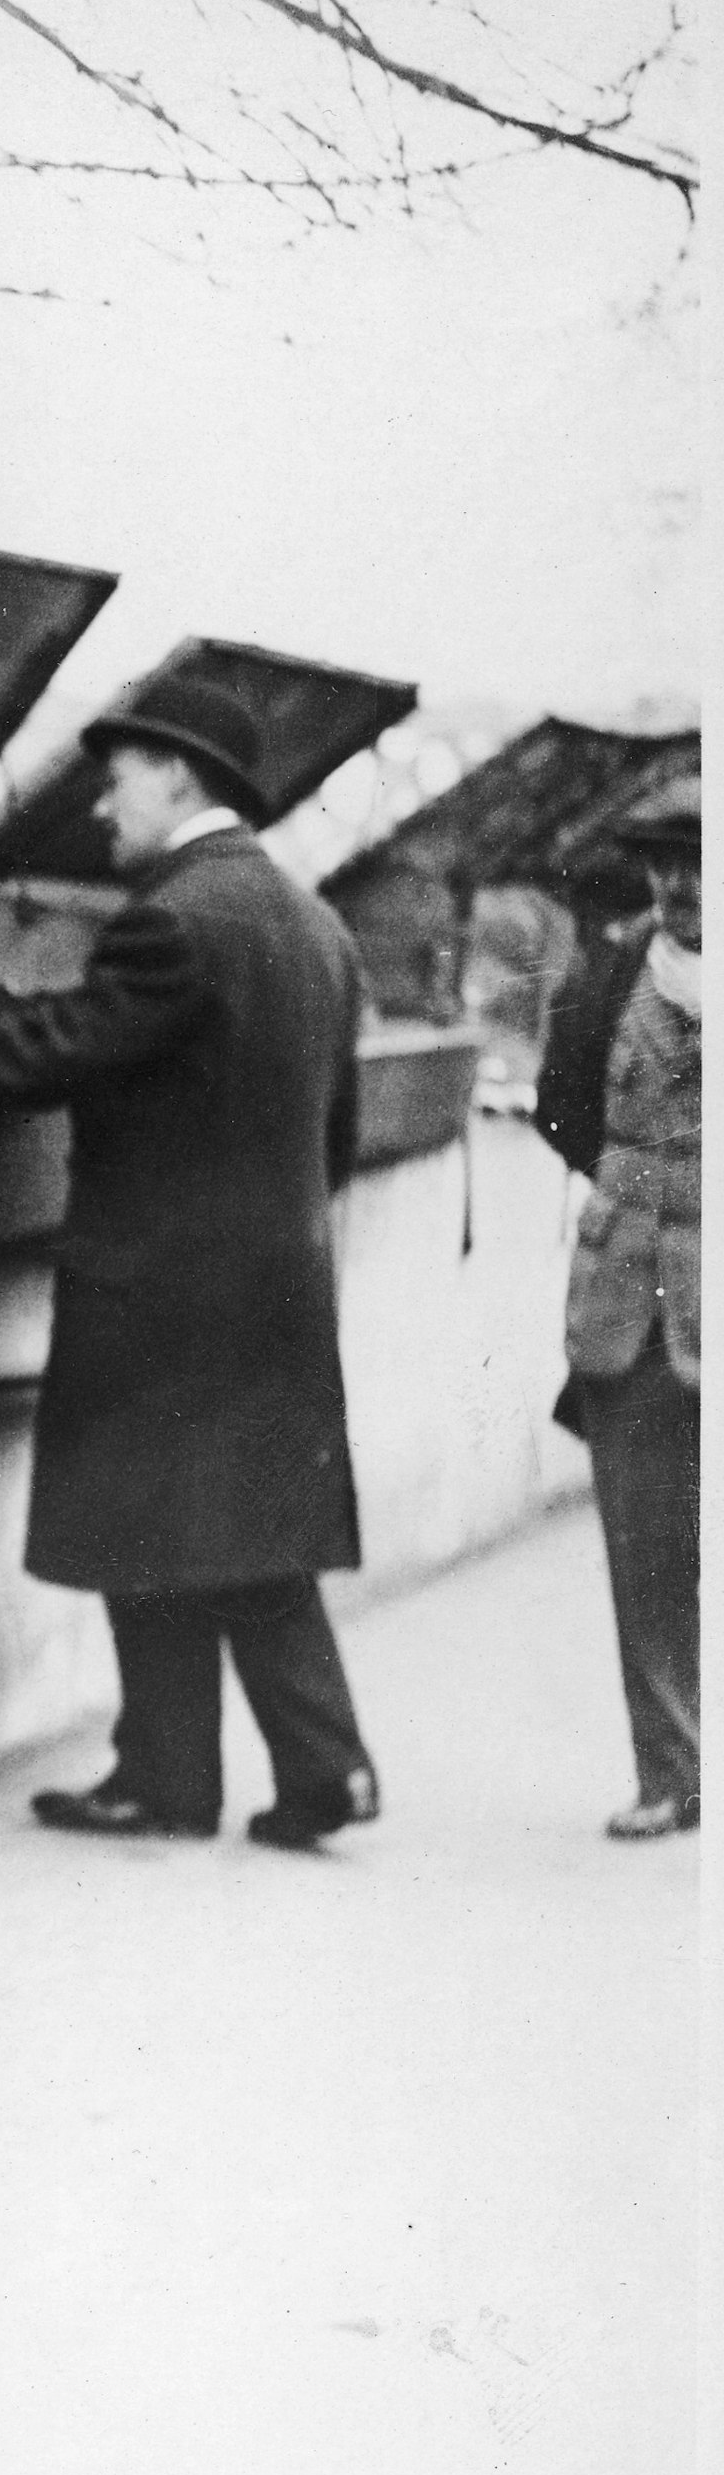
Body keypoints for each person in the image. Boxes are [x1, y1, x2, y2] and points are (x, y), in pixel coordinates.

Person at [0, 682, 379, 1850]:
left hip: (163, 1287)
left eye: (116, 779)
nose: (103, 807)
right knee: (254, 1535)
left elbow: (56, 1045)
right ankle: (327, 1767)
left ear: (178, 775)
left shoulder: (174, 919)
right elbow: (339, 1133)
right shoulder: (316, 926)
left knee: (148, 1525)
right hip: (277, 1283)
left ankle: (168, 1778)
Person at [530, 788, 699, 1840]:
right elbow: (560, 1098)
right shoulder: (609, 976)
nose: (681, 884)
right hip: (629, 1304)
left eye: (703, 862)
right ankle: (672, 1769)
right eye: (665, 864)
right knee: (646, 1546)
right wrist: (637, 1187)